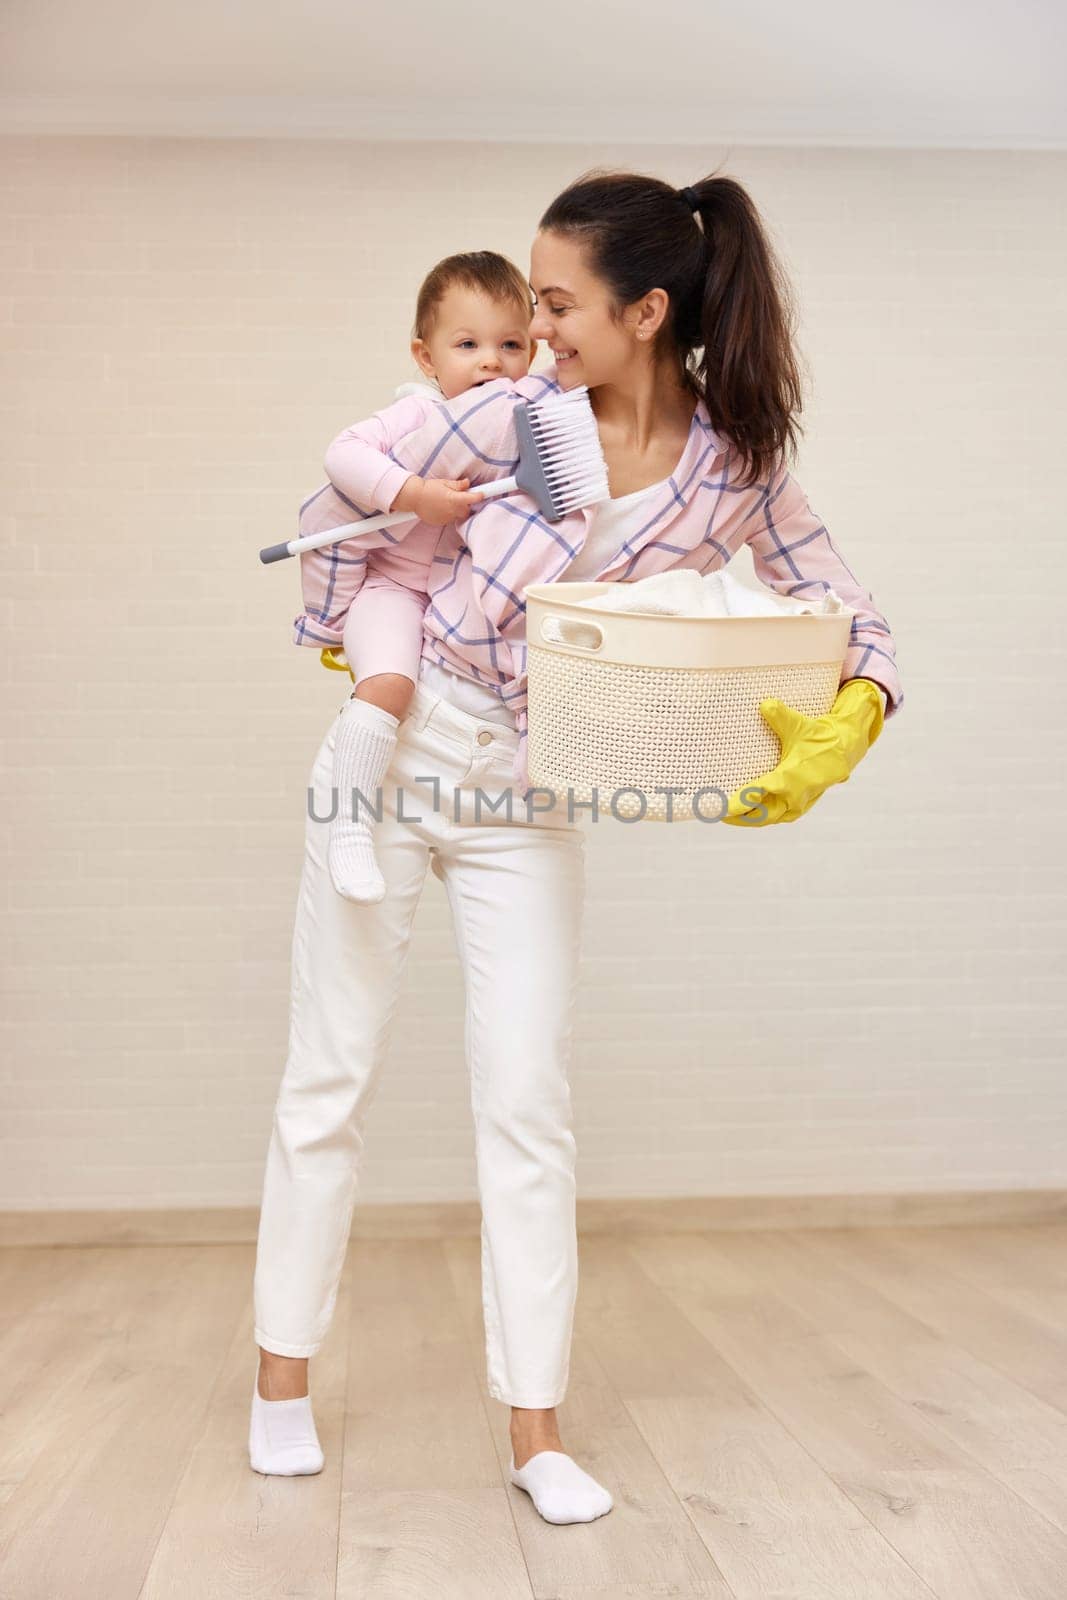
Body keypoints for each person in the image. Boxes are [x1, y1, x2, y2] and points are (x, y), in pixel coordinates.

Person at [250, 168, 903, 1526]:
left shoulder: (731, 471)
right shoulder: (506, 415)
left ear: (645, 312)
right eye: (528, 309)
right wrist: (338, 624)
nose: (533, 332)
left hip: (528, 799)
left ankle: (535, 1433)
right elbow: (344, 504)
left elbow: (852, 612)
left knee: (526, 1106)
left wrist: (852, 714)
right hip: (399, 756)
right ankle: (278, 1390)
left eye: (557, 306)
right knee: (328, 1081)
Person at [309, 251, 535, 904]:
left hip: (457, 594)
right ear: (425, 357)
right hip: (394, 590)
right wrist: (411, 493)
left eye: (510, 344)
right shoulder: (417, 413)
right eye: (467, 344)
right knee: (387, 684)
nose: (490, 361)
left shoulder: (522, 425)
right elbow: (341, 454)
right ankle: (350, 827)